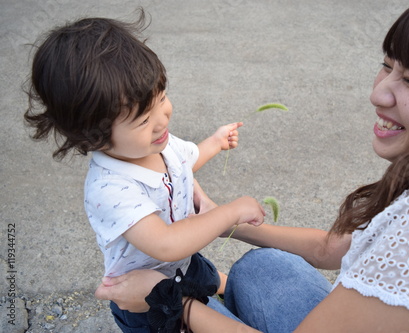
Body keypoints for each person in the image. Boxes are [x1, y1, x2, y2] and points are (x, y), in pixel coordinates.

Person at [98, 0, 409, 331]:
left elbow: (167, 239)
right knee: (263, 267)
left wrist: (171, 302)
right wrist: (226, 220)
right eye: (387, 65)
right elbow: (330, 249)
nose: (379, 93)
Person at [23, 10, 266, 333]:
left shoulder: (157, 143)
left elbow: (184, 162)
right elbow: (165, 245)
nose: (162, 120)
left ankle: (221, 290)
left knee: (204, 278)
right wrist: (230, 212)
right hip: (145, 297)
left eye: (161, 98)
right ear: (94, 135)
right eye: (143, 120)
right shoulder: (109, 188)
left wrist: (215, 142)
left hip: (186, 265)